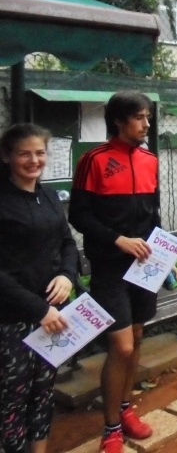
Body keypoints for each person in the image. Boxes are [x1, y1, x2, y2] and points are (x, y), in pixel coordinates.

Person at [69, 91, 160, 453]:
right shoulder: (93, 160)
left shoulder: (150, 159)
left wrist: (162, 258)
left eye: (147, 117)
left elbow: (154, 213)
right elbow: (79, 215)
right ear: (119, 121)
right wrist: (117, 240)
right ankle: (110, 429)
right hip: (109, 265)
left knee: (137, 336)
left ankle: (125, 409)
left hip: (145, 265)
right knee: (121, 345)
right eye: (139, 117)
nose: (146, 124)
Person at [0, 124, 79, 453]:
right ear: (7, 157)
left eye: (40, 153)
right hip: (13, 317)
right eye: (24, 154)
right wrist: (39, 310)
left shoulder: (48, 195)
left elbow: (67, 243)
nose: (34, 160)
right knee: (12, 398)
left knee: (44, 389)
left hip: (52, 314)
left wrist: (66, 276)